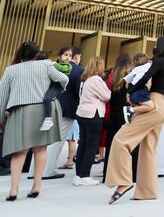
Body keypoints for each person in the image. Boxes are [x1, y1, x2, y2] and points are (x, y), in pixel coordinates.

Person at [105, 37, 164, 204]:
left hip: (153, 105)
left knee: (121, 140)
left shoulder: (159, 61)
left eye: (157, 43)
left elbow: (145, 79)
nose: (155, 46)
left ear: (162, 46)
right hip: (161, 106)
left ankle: (123, 181)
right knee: (148, 150)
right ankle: (147, 191)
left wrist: (130, 90)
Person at [0, 42, 69, 201]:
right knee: (40, 149)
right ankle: (36, 187)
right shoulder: (46, 65)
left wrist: (2, 119)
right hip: (42, 110)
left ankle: (13, 191)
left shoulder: (11, 70)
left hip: (20, 111)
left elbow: (2, 96)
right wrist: (54, 91)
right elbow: (64, 78)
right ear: (37, 54)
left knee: (19, 152)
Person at [41, 46, 82, 179]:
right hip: (68, 108)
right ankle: (47, 171)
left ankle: (34, 171)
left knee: (44, 140)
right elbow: (78, 92)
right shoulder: (78, 70)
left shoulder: (52, 67)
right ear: (77, 57)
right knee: (57, 140)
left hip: (49, 105)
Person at [74, 57, 110, 186]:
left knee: (83, 144)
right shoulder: (97, 80)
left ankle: (78, 174)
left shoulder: (85, 79)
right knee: (92, 145)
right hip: (93, 114)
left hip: (82, 112)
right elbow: (107, 96)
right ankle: (85, 175)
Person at [102, 54, 133, 183]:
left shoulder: (111, 77)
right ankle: (122, 174)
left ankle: (107, 175)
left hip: (112, 114)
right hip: (124, 114)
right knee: (124, 144)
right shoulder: (129, 79)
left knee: (111, 145)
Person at [123, 53, 155, 120]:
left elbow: (127, 80)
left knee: (140, 109)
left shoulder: (135, 69)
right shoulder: (149, 66)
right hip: (141, 91)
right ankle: (130, 110)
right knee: (151, 106)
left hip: (133, 92)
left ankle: (132, 113)